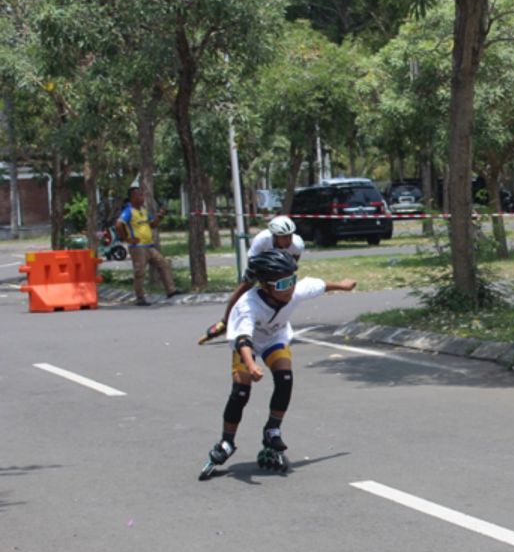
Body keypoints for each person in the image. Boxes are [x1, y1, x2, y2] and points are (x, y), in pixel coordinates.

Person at [199, 248, 356, 479]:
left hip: (275, 338)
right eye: (283, 285)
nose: (290, 288)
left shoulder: (294, 291)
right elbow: (243, 339)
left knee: (285, 378)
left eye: (292, 280)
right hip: (247, 345)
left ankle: (272, 428)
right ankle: (227, 442)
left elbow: (319, 285)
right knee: (241, 392)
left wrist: (342, 285)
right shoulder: (247, 305)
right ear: (265, 286)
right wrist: (251, 366)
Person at [198, 216, 305, 345]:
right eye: (284, 237)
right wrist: (262, 282)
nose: (288, 240)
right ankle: (225, 322)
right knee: (242, 289)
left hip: (280, 270)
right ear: (275, 236)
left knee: (285, 293)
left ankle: (275, 322)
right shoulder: (262, 240)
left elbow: (292, 265)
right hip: (260, 266)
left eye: (290, 236)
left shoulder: (297, 244)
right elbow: (252, 262)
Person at [116, 186, 180, 305]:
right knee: (140, 273)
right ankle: (140, 298)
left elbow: (152, 225)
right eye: (140, 195)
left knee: (163, 264)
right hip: (138, 248)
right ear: (133, 197)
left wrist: (160, 216)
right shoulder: (128, 211)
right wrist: (127, 239)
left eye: (142, 195)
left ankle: (171, 290)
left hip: (149, 246)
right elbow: (119, 225)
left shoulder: (143, 210)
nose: (142, 198)